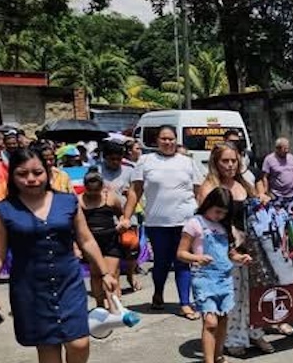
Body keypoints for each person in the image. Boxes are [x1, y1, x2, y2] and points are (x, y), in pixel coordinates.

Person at [0, 149, 118, 363]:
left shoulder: (68, 201)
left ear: (48, 172)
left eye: (36, 172)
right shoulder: (3, 209)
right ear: (12, 176)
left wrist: (105, 272)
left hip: (68, 281)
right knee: (48, 344)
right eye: (22, 173)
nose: (30, 179)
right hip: (30, 286)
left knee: (79, 342)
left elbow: (87, 239)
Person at [195, 143, 277, 357]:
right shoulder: (209, 187)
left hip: (250, 248)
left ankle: (254, 332)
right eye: (225, 160)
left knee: (251, 292)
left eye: (234, 160)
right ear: (215, 162)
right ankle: (232, 338)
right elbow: (207, 223)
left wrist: (263, 200)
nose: (230, 165)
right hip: (224, 250)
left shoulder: (244, 183)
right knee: (232, 295)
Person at [122, 124, 204, 320]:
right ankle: (158, 292)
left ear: (176, 140)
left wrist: (203, 217)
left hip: (185, 220)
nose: (168, 142)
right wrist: (126, 216)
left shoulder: (187, 162)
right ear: (156, 141)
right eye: (164, 139)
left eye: (171, 139)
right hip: (157, 223)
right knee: (161, 262)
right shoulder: (146, 161)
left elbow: (199, 191)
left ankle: (185, 303)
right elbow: (135, 190)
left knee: (183, 262)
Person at [177, 186, 252, 363]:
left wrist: (240, 258)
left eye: (224, 213)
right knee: (209, 322)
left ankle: (219, 357)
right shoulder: (195, 224)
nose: (220, 215)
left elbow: (230, 254)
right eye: (217, 211)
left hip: (224, 278)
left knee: (223, 320)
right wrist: (197, 257)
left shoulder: (224, 227)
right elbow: (181, 253)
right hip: (203, 278)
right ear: (208, 205)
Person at [77, 170, 123, 309]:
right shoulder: (79, 200)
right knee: (96, 275)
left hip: (110, 240)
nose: (93, 194)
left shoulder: (111, 198)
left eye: (96, 190)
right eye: (90, 191)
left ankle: (113, 306)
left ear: (102, 187)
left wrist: (122, 223)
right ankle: (99, 306)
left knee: (110, 274)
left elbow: (121, 214)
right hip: (91, 242)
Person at [98, 142, 140, 292]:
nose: (115, 162)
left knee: (131, 251)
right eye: (111, 159)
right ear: (105, 158)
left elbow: (137, 193)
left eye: (118, 159)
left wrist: (129, 194)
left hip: (127, 217)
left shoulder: (130, 171)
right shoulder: (96, 171)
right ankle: (115, 285)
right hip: (106, 219)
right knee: (111, 253)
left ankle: (131, 274)